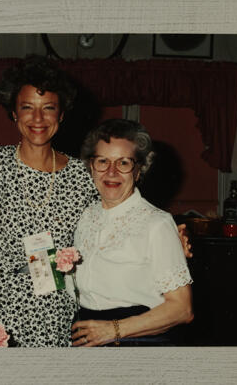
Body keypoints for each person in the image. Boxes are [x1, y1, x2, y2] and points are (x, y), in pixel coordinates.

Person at [0, 56, 192, 347]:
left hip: (59, 312)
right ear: (13, 113)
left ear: (61, 115)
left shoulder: (82, 173)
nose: (37, 118)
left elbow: (122, 213)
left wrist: (172, 239)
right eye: (27, 107)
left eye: (48, 108)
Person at [69, 119, 193, 347]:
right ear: (90, 166)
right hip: (87, 339)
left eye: (123, 162)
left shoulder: (157, 223)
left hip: (137, 343)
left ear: (139, 170)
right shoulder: (85, 216)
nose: (111, 172)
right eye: (102, 161)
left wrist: (114, 330)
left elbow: (182, 309)